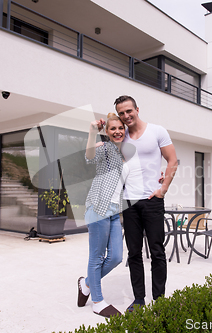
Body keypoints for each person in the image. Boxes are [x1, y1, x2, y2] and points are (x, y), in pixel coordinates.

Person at [114, 95, 178, 312]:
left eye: (128, 111)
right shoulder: (121, 137)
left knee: (157, 251)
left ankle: (159, 300)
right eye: (121, 113)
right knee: (134, 253)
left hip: (152, 201)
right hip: (129, 202)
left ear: (137, 109)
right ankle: (139, 299)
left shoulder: (157, 131)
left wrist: (164, 188)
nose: (125, 116)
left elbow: (172, 160)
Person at [77, 113, 128, 318]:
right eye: (113, 128)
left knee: (116, 257)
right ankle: (97, 301)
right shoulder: (105, 148)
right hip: (99, 207)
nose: (117, 131)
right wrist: (92, 133)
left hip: (115, 210)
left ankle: (86, 283)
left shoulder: (126, 153)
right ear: (107, 132)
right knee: (97, 257)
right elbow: (89, 157)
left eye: (120, 128)